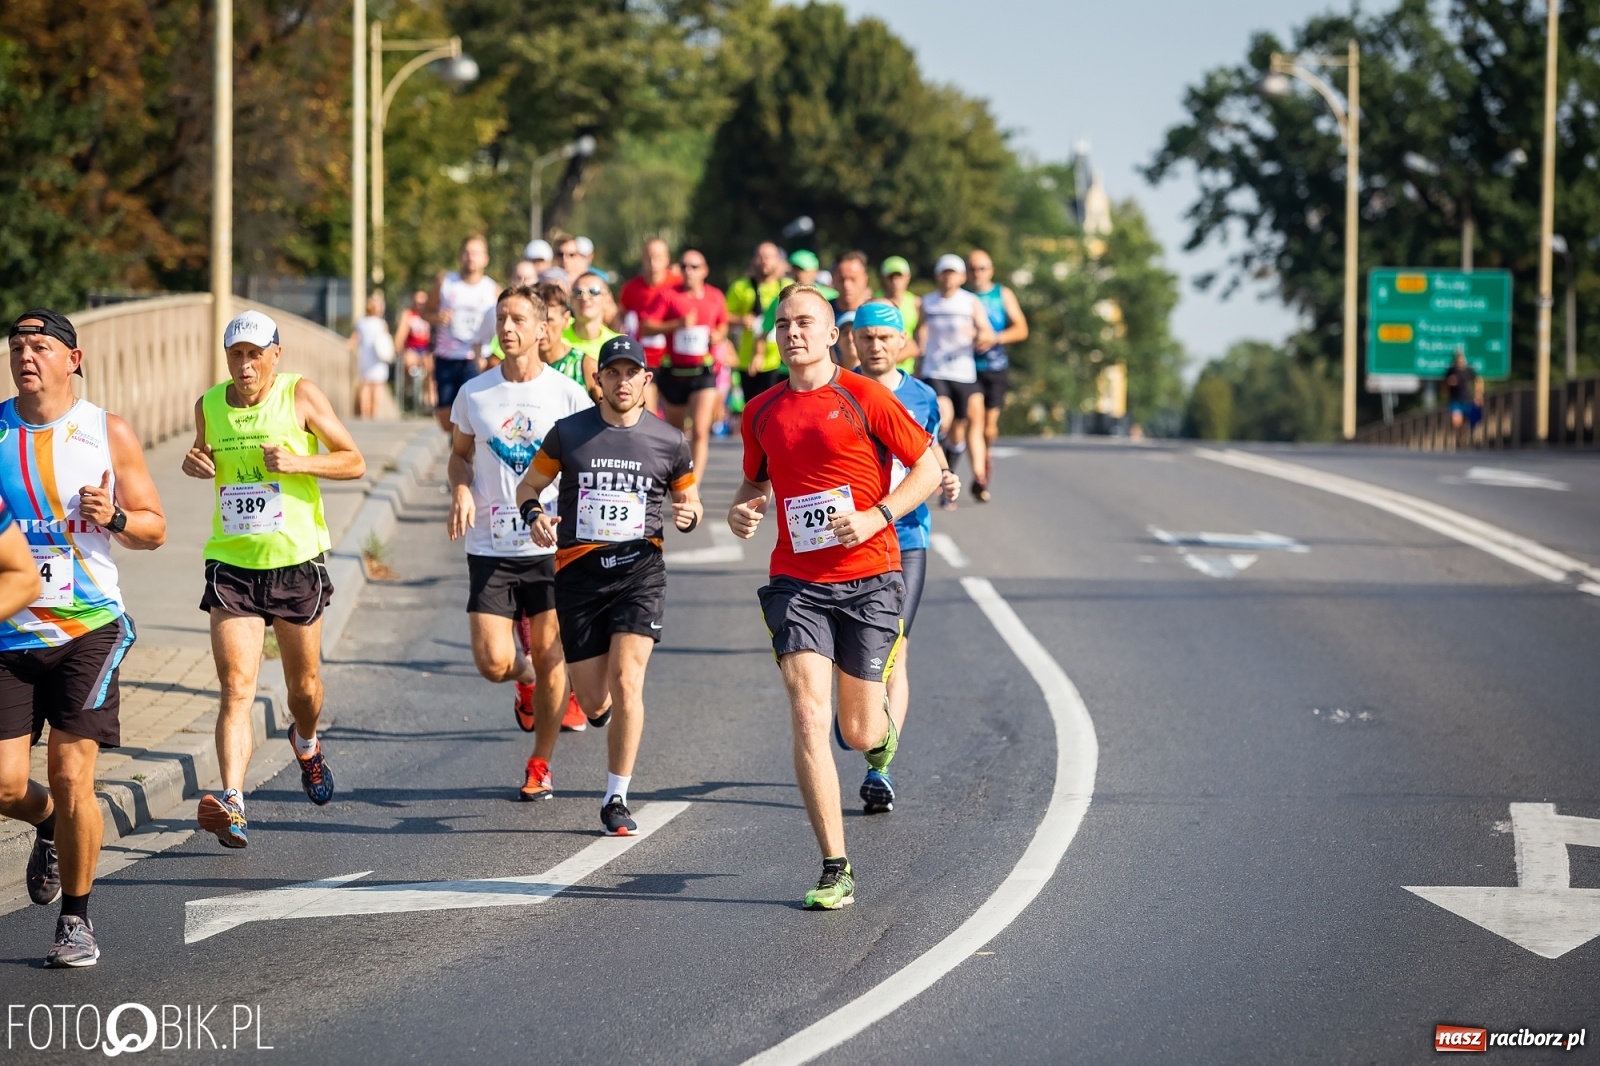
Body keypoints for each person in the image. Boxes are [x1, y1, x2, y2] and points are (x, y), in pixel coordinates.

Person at [727, 286, 941, 910]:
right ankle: (834, 866)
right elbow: (753, 478)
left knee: (858, 728)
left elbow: (929, 466)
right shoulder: (761, 410)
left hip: (872, 577)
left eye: (806, 323)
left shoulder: (865, 395)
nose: (793, 332)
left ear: (831, 336)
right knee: (806, 713)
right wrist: (743, 509)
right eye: (784, 323)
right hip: (798, 583)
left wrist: (879, 517)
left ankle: (881, 734)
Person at [0, 309, 166, 966]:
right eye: (17, 346)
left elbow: (155, 527)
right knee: (7, 786)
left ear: (76, 357)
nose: (26, 355)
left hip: (89, 629)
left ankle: (75, 918)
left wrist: (116, 515)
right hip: (10, 631)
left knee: (71, 776)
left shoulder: (106, 431)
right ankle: (45, 824)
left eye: (41, 345)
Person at [184, 310, 365, 849]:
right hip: (232, 564)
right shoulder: (209, 405)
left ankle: (305, 742)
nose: (245, 366)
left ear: (275, 354)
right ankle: (234, 802)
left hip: (294, 562)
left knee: (302, 690)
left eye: (255, 355)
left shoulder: (300, 395)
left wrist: (298, 463)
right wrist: (196, 463)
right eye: (236, 355)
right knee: (236, 688)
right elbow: (204, 457)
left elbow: (353, 460)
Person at [515, 336, 702, 834]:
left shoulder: (669, 440)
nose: (622, 381)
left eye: (631, 373)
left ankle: (616, 796)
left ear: (646, 380)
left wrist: (688, 515)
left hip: (640, 574)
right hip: (579, 577)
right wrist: (533, 514)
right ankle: (600, 715)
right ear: (598, 380)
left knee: (628, 680)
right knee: (596, 701)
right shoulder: (569, 433)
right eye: (613, 373)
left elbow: (691, 501)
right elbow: (528, 486)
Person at [447, 285, 594, 801]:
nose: (506, 328)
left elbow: (587, 467)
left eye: (517, 320)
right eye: (500, 318)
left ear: (541, 330)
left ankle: (541, 762)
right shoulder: (475, 392)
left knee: (556, 656)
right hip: (490, 546)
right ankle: (522, 675)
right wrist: (461, 488)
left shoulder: (568, 396)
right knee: (492, 662)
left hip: (551, 549)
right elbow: (459, 453)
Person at [848, 302, 959, 810]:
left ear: (902, 343)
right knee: (846, 647)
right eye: (865, 337)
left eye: (883, 337)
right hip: (849, 537)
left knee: (895, 644)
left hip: (906, 537)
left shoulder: (922, 396)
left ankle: (881, 767)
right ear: (853, 341)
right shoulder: (840, 390)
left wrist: (946, 474)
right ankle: (858, 707)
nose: (874, 346)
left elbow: (926, 450)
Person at [643, 248, 728, 481]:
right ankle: (677, 476)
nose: (688, 271)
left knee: (700, 431)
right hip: (674, 372)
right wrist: (676, 324)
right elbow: (647, 326)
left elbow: (723, 326)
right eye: (684, 266)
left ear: (705, 270)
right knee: (676, 434)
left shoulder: (715, 296)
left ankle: (694, 484)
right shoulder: (668, 294)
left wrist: (719, 336)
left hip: (703, 371)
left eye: (694, 267)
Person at [916, 255, 994, 508]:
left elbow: (986, 330)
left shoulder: (970, 302)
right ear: (938, 275)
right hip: (936, 370)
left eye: (954, 273)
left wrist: (978, 334)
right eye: (944, 272)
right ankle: (937, 471)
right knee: (945, 418)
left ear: (961, 277)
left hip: (964, 372)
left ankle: (947, 476)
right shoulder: (928, 302)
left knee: (960, 431)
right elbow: (922, 331)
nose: (949, 277)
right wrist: (919, 359)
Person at [966, 250, 1028, 495]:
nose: (977, 273)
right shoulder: (963, 296)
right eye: (972, 269)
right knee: (974, 419)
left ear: (990, 270)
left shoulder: (1002, 294)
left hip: (995, 367)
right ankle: (979, 476)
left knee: (988, 428)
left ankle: (986, 454)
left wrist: (995, 338)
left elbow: (1022, 329)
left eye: (981, 268)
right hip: (968, 368)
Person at [426, 234, 500, 432]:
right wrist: (437, 318)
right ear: (460, 256)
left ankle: (465, 450)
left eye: (476, 253)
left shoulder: (492, 289)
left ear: (486, 259)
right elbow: (425, 311)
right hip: (447, 356)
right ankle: (457, 440)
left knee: (472, 410)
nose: (471, 257)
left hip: (476, 358)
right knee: (445, 417)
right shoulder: (446, 283)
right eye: (467, 252)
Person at [727, 242, 790, 405]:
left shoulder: (788, 286)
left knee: (777, 408)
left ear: (778, 261)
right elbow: (722, 316)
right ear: (753, 260)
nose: (764, 261)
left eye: (769, 257)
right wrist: (740, 320)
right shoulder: (740, 287)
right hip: (748, 360)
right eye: (760, 257)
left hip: (780, 360)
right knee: (753, 409)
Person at [618, 238, 681, 387]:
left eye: (658, 257)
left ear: (667, 259)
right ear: (642, 258)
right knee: (648, 408)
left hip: (674, 359)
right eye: (649, 257)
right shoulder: (631, 288)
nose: (653, 262)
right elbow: (620, 315)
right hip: (644, 358)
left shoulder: (678, 283)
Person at [564, 271, 622, 402]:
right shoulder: (555, 338)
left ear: (607, 298)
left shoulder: (617, 344)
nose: (585, 297)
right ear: (571, 299)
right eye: (578, 292)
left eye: (594, 291)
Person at [531, 280, 591, 390]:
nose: (541, 328)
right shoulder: (513, 368)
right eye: (534, 320)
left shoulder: (584, 367)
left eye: (549, 320)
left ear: (566, 320)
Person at [352, 290, 395, 419]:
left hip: (364, 357)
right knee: (376, 386)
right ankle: (373, 413)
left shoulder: (361, 323)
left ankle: (364, 413)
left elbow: (354, 339)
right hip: (378, 358)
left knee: (364, 385)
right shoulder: (381, 323)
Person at [830, 250, 873, 369]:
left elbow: (910, 347)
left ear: (865, 279)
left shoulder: (875, 311)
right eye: (842, 279)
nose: (847, 285)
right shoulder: (823, 311)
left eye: (853, 279)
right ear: (833, 279)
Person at [393, 289, 435, 413]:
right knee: (409, 361)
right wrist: (398, 347)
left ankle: (429, 400)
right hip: (412, 348)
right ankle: (409, 389)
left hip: (427, 349)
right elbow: (401, 334)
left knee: (431, 366)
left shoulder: (430, 315)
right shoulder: (409, 314)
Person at [879, 257, 921, 373]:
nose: (895, 281)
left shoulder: (916, 303)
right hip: (877, 368)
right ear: (883, 278)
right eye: (890, 277)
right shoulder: (875, 302)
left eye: (899, 276)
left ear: (908, 277)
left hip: (907, 370)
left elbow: (919, 341)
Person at [1443, 349, 1483, 433]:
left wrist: (1478, 395)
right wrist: (1448, 385)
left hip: (1468, 399)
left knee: (1470, 421)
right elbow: (1444, 383)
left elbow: (1478, 381)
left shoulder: (1469, 370)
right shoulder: (1451, 370)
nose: (1460, 361)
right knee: (1456, 421)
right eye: (1458, 359)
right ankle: (1458, 436)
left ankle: (1465, 434)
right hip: (1455, 399)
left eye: (1461, 359)